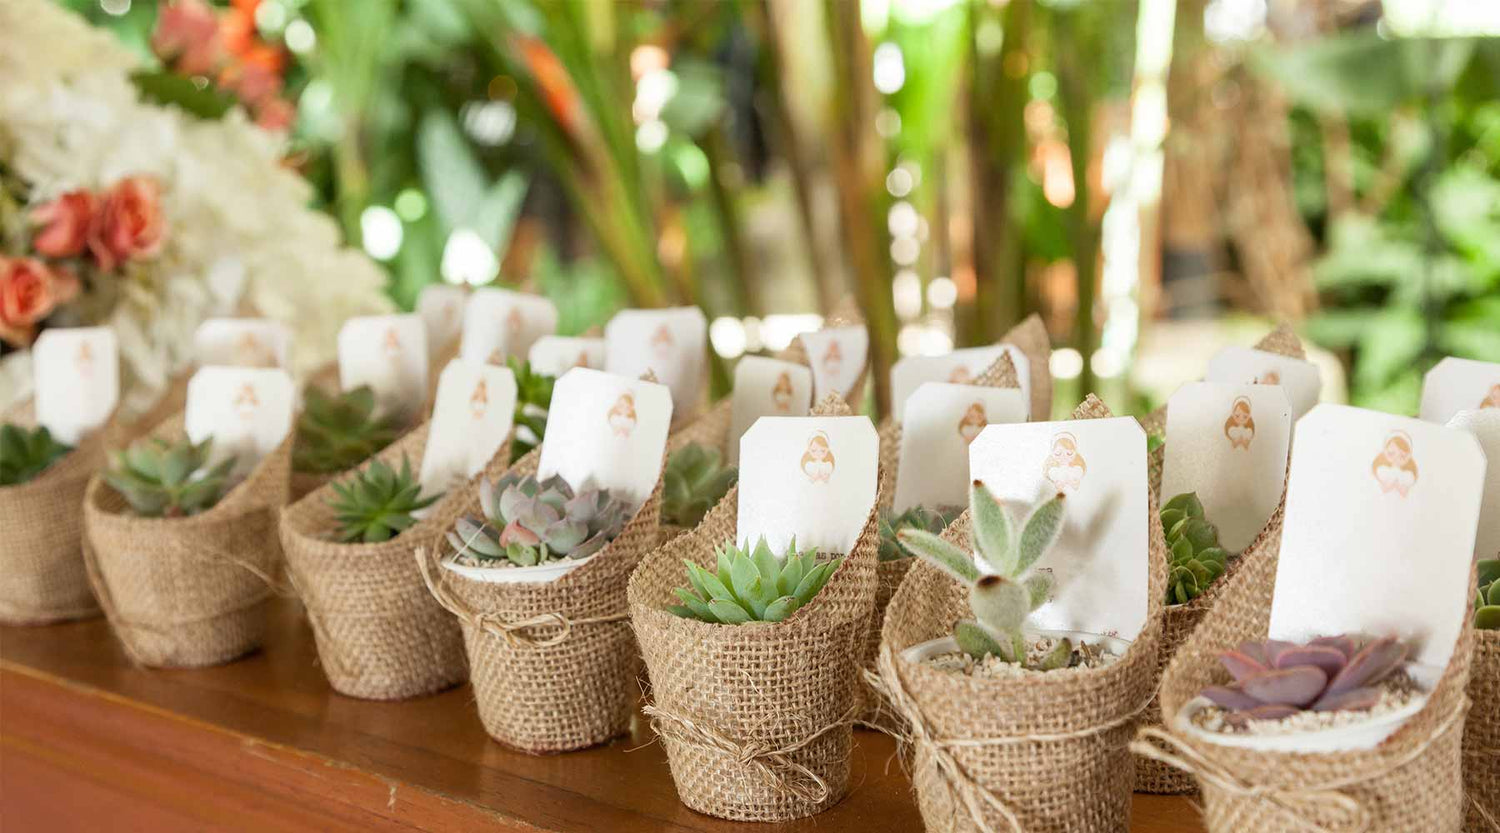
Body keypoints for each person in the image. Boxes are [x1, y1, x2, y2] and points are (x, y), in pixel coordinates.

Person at [1372, 431, 1418, 497]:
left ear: (1408, 457)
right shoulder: (1382, 470)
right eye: (1391, 453)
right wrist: (1392, 483)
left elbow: (1404, 493)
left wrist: (1398, 485)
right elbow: (1383, 489)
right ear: (1385, 451)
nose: (1396, 459)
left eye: (1402, 456)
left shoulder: (1408, 475)